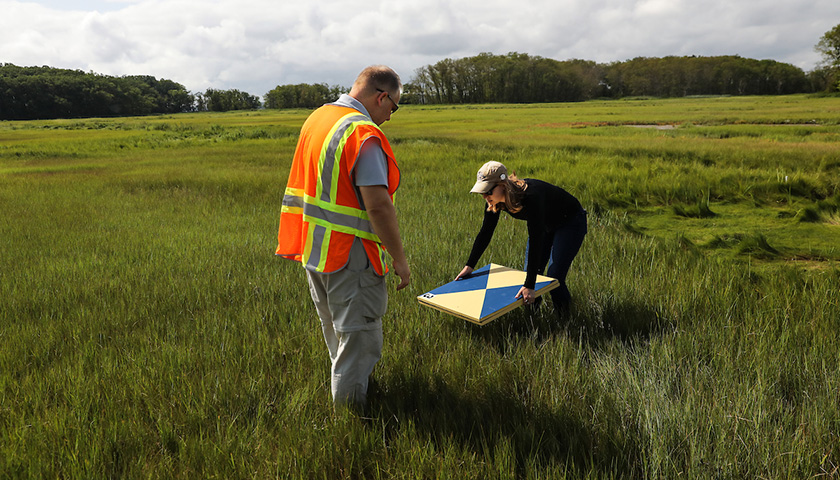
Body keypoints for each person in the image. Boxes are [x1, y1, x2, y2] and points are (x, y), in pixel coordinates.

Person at [276, 65, 410, 412]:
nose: (389, 117)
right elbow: (378, 205)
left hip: (315, 250)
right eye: (393, 107)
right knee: (359, 340)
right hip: (350, 257)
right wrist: (400, 259)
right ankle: (351, 420)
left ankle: (354, 389)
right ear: (381, 96)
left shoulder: (319, 118)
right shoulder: (361, 132)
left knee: (336, 333)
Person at [455, 161, 586, 319]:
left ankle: (564, 320)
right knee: (530, 273)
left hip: (570, 222)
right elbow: (485, 232)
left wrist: (530, 285)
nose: (485, 196)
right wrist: (469, 265)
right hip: (545, 224)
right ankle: (533, 321)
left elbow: (536, 239)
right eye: (481, 192)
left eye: (488, 191)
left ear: (502, 185)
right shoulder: (493, 202)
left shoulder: (531, 197)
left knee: (554, 276)